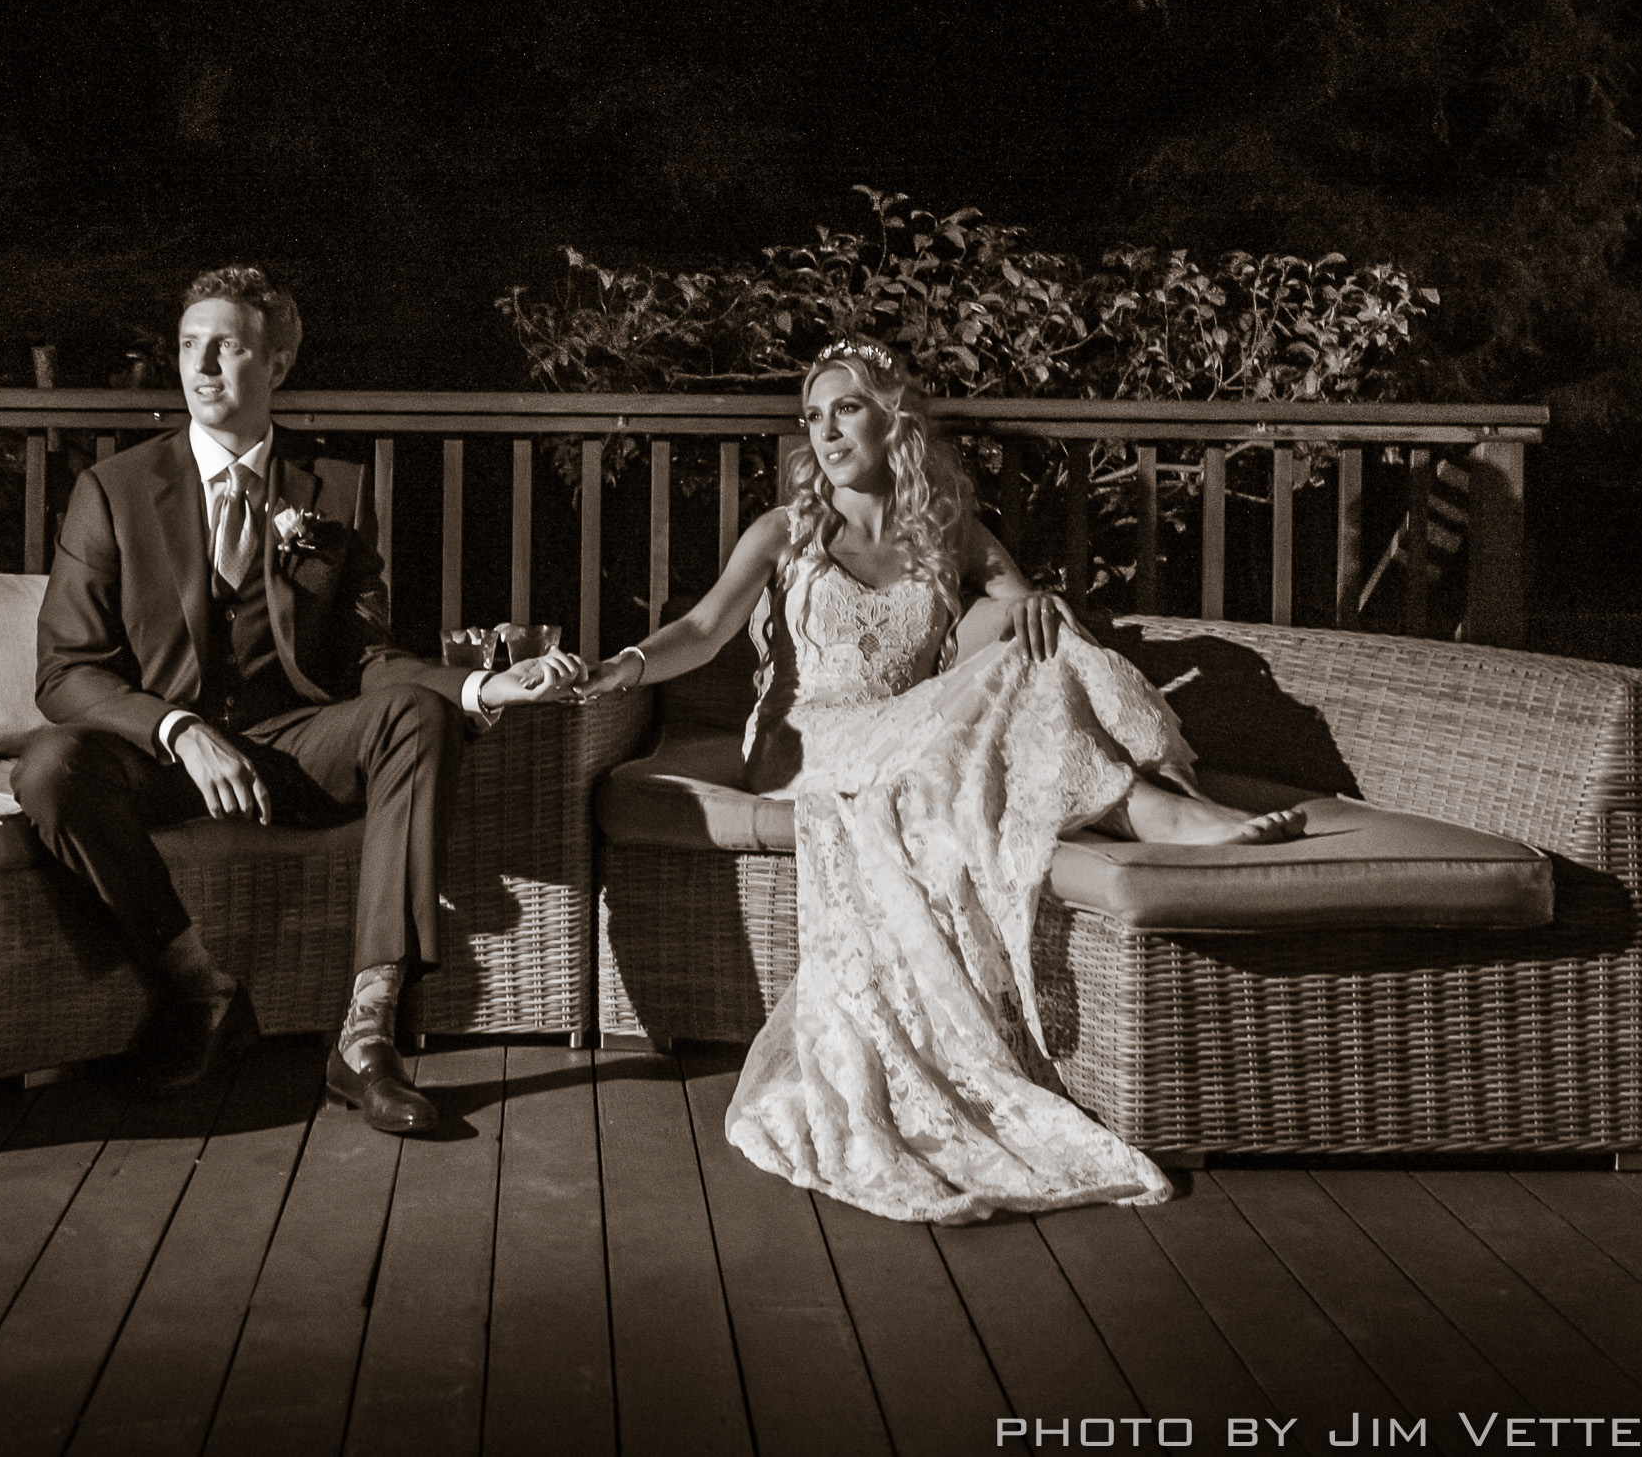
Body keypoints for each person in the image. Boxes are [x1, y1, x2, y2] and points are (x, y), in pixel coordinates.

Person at [554, 339, 1305, 1220]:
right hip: (807, 744)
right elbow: (706, 626)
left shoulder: (948, 528)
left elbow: (1031, 642)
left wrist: (1020, 602)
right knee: (994, 687)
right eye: (812, 416)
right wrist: (627, 664)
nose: (824, 431)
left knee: (1037, 647)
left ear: (891, 417)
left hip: (911, 736)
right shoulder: (788, 530)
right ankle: (1157, 810)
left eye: (844, 409)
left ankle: (1157, 800)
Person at [16, 265, 573, 1133]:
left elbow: (365, 655)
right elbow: (64, 672)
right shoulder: (114, 488)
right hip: (158, 756)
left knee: (420, 715)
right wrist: (176, 727)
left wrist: (476, 684)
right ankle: (196, 987)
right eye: (187, 346)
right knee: (50, 769)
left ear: (276, 364)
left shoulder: (336, 492)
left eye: (226, 347)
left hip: (294, 741)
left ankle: (366, 1031)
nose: (200, 365)